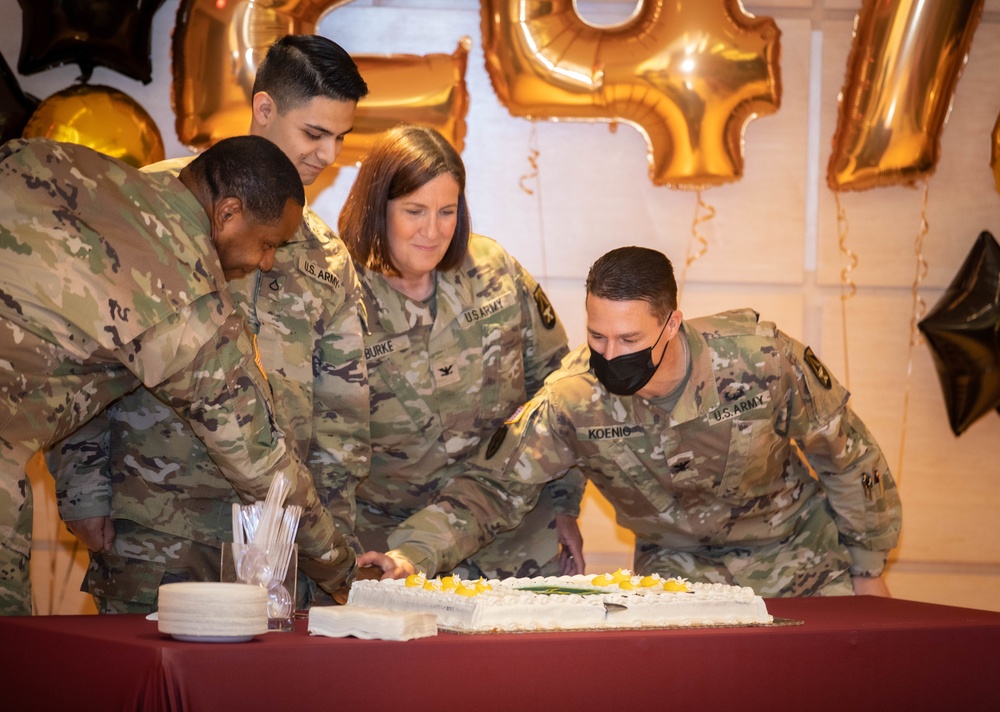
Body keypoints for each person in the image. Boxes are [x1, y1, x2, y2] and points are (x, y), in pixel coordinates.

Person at [362, 246, 902, 597]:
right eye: (598, 337)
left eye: (630, 340)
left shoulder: (761, 360)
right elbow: (490, 490)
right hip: (678, 578)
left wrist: (868, 566)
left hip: (799, 557)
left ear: (672, 323)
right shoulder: (574, 397)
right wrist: (411, 552)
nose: (611, 353)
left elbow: (847, 456)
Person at [46, 35, 372, 613]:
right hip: (152, 527)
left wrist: (329, 549)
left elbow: (341, 419)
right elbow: (79, 357)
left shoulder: (326, 253)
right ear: (265, 109)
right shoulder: (156, 205)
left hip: (275, 543)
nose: (328, 155)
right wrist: (82, 490)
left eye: (341, 139)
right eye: (315, 134)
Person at [0, 134, 353, 615]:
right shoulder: (180, 288)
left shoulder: (48, 158)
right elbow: (257, 458)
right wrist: (341, 569)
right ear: (227, 213)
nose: (266, 261)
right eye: (267, 243)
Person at [338, 124, 584, 581]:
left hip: (514, 540)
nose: (432, 231)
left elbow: (558, 394)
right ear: (378, 208)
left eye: (447, 211)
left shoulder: (494, 271)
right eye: (414, 211)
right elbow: (319, 444)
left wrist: (564, 504)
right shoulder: (337, 298)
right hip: (392, 551)